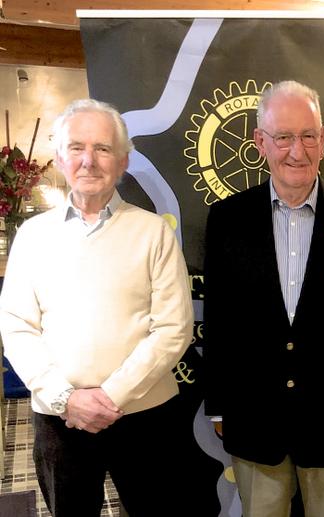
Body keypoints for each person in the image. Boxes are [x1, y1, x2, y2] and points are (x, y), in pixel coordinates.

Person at [203, 80, 324, 517]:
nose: (296, 150)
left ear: (323, 140)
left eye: (308, 136)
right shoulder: (227, 221)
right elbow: (219, 319)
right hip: (255, 416)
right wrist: (218, 403)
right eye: (283, 137)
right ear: (260, 143)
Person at [0, 99, 199, 516]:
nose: (89, 160)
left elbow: (174, 329)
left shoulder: (153, 233)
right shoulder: (33, 236)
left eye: (103, 149)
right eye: (77, 147)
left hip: (145, 414)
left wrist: (110, 396)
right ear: (59, 158)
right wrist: (65, 398)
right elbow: (16, 326)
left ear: (123, 161)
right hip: (60, 419)